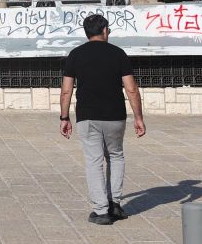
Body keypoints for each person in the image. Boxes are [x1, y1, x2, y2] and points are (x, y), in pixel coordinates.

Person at [60, 13, 145, 225]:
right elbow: (131, 89)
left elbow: (66, 90)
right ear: (105, 30)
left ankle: (100, 211)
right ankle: (114, 203)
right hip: (115, 115)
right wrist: (138, 117)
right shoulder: (118, 54)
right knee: (116, 156)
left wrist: (64, 117)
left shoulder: (75, 55)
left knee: (94, 160)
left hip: (87, 116)